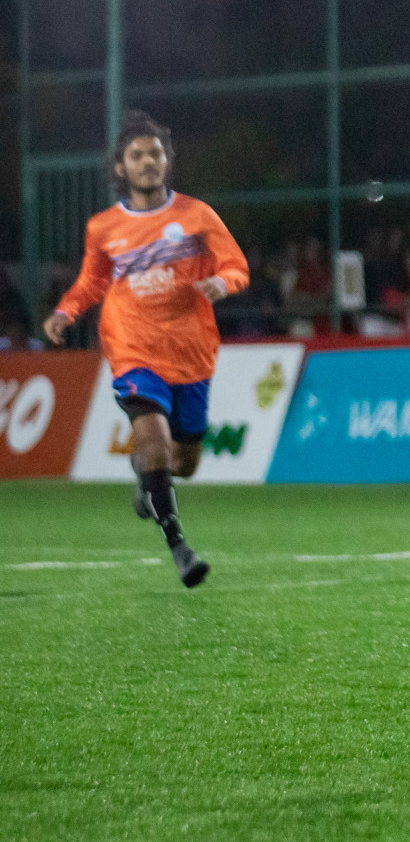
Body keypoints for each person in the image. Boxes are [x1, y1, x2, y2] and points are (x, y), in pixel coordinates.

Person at [43, 112, 248, 588]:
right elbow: (92, 281)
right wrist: (66, 311)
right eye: (136, 155)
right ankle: (180, 547)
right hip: (132, 346)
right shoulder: (103, 228)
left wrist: (222, 280)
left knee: (185, 462)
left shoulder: (196, 216)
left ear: (166, 160)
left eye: (155, 153)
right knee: (152, 438)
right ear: (121, 168)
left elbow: (237, 265)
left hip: (191, 351)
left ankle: (145, 476)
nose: (147, 161)